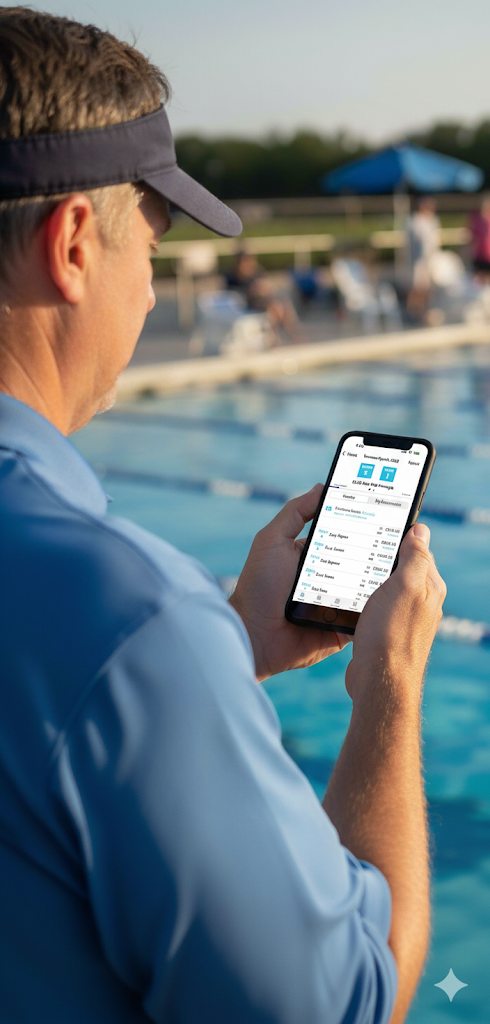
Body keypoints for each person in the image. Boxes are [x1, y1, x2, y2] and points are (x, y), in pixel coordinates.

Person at [0, 10, 446, 1024]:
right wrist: (389, 688)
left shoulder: (142, 640)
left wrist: (230, 643)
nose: (151, 296)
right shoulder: (135, 616)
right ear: (72, 244)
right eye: (151, 252)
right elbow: (344, 1001)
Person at [226, 250, 302, 341]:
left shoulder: (256, 273)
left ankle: (293, 335)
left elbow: (268, 286)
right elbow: (232, 296)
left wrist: (262, 288)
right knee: (275, 307)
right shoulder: (232, 277)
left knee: (283, 304)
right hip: (247, 305)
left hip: (263, 301)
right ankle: (277, 338)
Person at [406, 196, 441, 321]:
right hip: (418, 261)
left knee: (429, 288)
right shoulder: (414, 221)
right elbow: (417, 241)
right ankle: (412, 312)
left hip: (431, 259)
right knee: (418, 288)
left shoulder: (433, 220)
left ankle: (425, 312)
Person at [468, 194, 490, 283]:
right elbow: (472, 235)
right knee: (478, 279)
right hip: (479, 253)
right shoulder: (475, 217)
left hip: (488, 254)